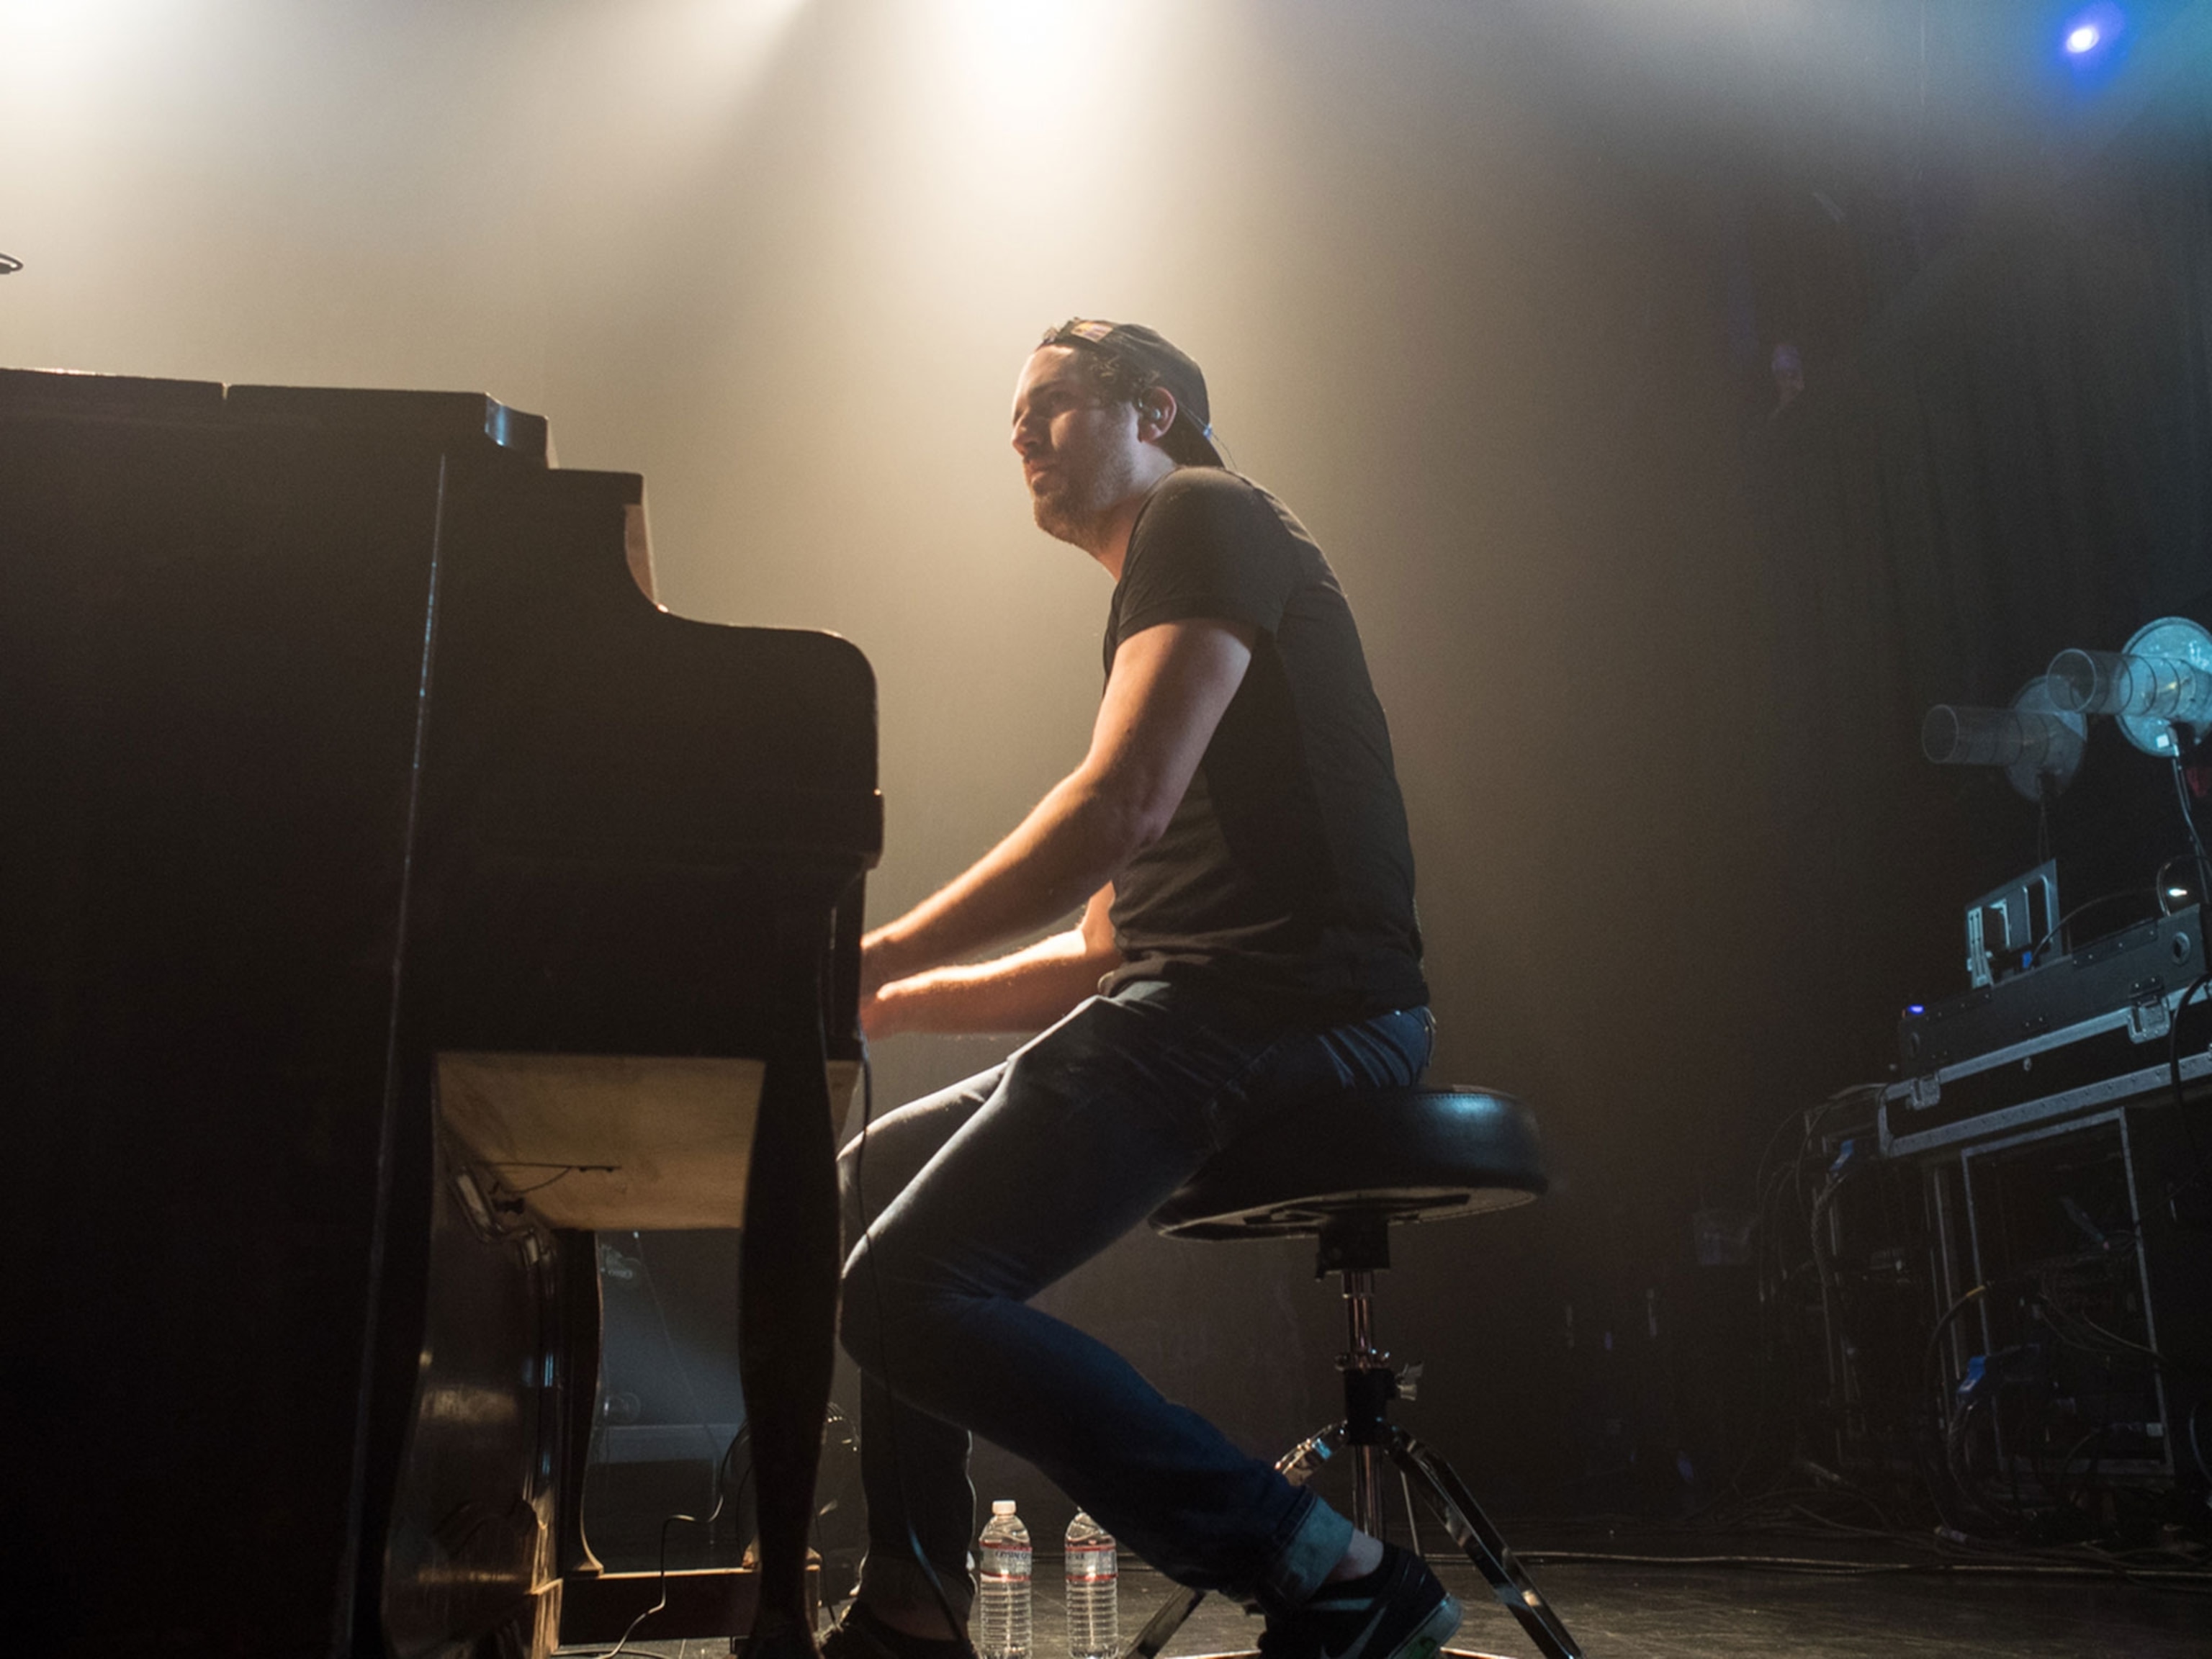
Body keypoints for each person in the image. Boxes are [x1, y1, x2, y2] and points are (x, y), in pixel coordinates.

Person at [831, 320, 1455, 1659]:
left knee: (899, 1293)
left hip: (1308, 1009)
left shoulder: (1205, 512)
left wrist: (870, 957)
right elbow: (1100, 955)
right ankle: (914, 1603)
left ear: (1155, 411)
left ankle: (1332, 1572)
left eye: (1051, 403)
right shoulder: (1167, 599)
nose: (1018, 433)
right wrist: (885, 1005)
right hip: (1206, 1004)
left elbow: (1117, 808)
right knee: (871, 1180)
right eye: (1016, 416)